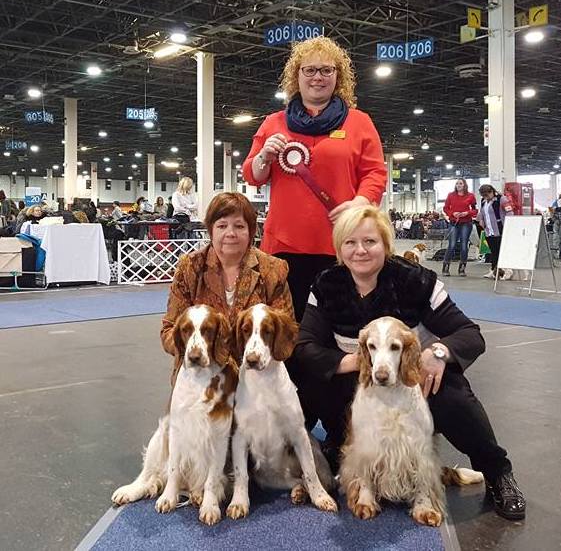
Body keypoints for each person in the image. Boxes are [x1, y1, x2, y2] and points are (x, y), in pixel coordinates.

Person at [293, 205, 525, 520]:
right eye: (350, 242)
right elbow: (305, 346)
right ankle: (340, 448)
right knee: (314, 382)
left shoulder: (416, 281)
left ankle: (497, 473)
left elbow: (469, 334)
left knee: (454, 398)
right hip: (360, 378)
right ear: (339, 249)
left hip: (413, 379)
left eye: (370, 242)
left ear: (386, 245)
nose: (360, 250)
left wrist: (438, 353)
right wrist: (357, 363)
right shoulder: (325, 284)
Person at [242, 36, 386, 322]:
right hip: (283, 245)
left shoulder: (360, 122)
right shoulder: (273, 122)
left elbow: (375, 173)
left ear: (338, 76)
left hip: (339, 243)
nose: (317, 77)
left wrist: (358, 204)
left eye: (326, 70)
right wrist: (264, 157)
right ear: (297, 76)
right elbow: (252, 174)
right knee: (284, 325)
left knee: (339, 325)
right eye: (309, 70)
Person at [160, 192, 294, 383]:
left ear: (251, 231)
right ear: (211, 231)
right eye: (222, 225)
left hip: (258, 378)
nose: (230, 233)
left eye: (239, 226)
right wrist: (194, 350)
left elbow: (286, 333)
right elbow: (169, 329)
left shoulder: (273, 269)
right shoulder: (189, 267)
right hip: (201, 377)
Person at [476, 184, 514, 279]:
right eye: (483, 195)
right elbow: (481, 212)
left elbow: (509, 212)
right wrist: (480, 220)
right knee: (493, 252)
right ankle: (493, 270)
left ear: (492, 191)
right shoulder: (484, 201)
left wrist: (508, 225)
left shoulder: (502, 199)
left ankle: (508, 271)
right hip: (489, 230)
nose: (486, 197)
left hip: (500, 229)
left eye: (487, 195)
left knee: (501, 251)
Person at [442, 178, 477, 277]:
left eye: (460, 183)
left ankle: (462, 268)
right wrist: (452, 213)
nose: (458, 185)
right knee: (452, 245)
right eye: (457, 183)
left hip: (466, 223)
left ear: (464, 185)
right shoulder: (450, 195)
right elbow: (445, 208)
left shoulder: (471, 196)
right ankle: (446, 266)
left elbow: (475, 210)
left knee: (464, 245)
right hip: (454, 222)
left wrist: (467, 213)